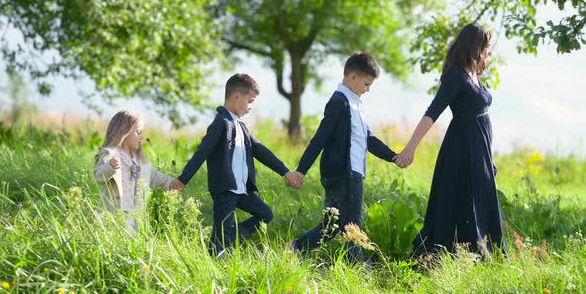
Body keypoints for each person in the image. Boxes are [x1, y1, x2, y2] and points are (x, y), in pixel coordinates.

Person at [394, 23, 505, 260]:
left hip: (480, 153)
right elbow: (431, 113)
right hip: (461, 152)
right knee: (461, 202)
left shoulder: (474, 76)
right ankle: (448, 257)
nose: (490, 52)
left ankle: (479, 256)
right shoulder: (457, 78)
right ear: (476, 48)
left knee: (480, 203)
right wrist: (410, 148)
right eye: (487, 47)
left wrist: (489, 158)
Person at [171, 74, 303, 256]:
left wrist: (286, 172)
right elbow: (202, 152)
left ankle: (235, 236)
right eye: (250, 101)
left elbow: (261, 151)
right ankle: (216, 260)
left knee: (265, 215)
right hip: (225, 189)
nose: (251, 107)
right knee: (222, 232)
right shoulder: (221, 124)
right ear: (237, 96)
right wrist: (182, 179)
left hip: (242, 191)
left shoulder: (241, 127)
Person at [292, 52, 399, 263]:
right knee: (352, 226)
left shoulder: (356, 104)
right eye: (366, 84)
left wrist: (393, 156)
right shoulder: (340, 101)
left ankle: (294, 249)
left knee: (332, 226)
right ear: (352, 78)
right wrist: (300, 170)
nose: (368, 89)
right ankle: (359, 268)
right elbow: (320, 138)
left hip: (351, 173)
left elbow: (368, 139)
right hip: (343, 174)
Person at [93, 110, 181, 233]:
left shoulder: (138, 159)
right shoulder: (111, 154)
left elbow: (153, 175)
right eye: (138, 132)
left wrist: (171, 183)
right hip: (112, 214)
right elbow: (98, 176)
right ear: (124, 132)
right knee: (113, 241)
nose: (141, 137)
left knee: (130, 242)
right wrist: (109, 167)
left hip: (132, 216)